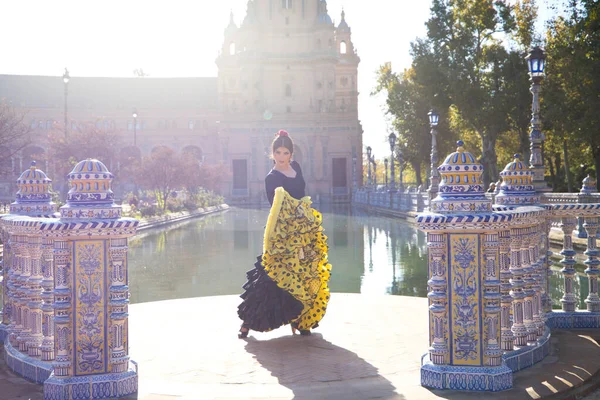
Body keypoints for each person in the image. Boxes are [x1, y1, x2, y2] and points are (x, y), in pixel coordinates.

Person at [237, 130, 332, 338]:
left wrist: (305, 215)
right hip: (282, 232)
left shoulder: (296, 167)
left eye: (285, 152)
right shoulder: (271, 178)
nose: (281, 156)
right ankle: (247, 321)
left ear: (291, 154)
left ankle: (301, 319)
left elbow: (301, 194)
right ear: (272, 153)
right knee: (271, 275)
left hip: (303, 229)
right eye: (278, 152)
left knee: (305, 272)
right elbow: (275, 207)